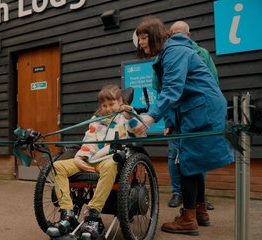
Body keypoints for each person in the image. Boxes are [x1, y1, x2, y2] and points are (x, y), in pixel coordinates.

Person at [133, 16, 233, 236]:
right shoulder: (172, 51)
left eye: (142, 37)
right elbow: (178, 93)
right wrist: (171, 120)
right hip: (199, 108)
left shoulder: (174, 51)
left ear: (155, 34)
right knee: (194, 162)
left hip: (200, 110)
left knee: (185, 162)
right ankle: (199, 212)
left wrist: (150, 118)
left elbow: (172, 89)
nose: (140, 42)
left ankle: (188, 219)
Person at [46, 84, 137, 239]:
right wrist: (79, 158)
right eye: (104, 105)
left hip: (110, 159)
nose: (108, 109)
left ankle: (93, 216)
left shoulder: (125, 117)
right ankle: (68, 215)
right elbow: (88, 140)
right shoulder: (96, 120)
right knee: (57, 166)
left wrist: (130, 114)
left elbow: (136, 129)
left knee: (110, 165)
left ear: (120, 100)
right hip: (90, 159)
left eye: (112, 104)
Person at [166, 20, 217, 210]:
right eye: (173, 34)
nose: (175, 37)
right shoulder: (166, 55)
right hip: (175, 110)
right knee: (174, 153)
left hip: (196, 112)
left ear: (188, 35)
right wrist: (167, 118)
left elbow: (211, 82)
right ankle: (177, 193)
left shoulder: (201, 53)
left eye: (180, 34)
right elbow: (162, 87)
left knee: (197, 155)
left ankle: (199, 199)